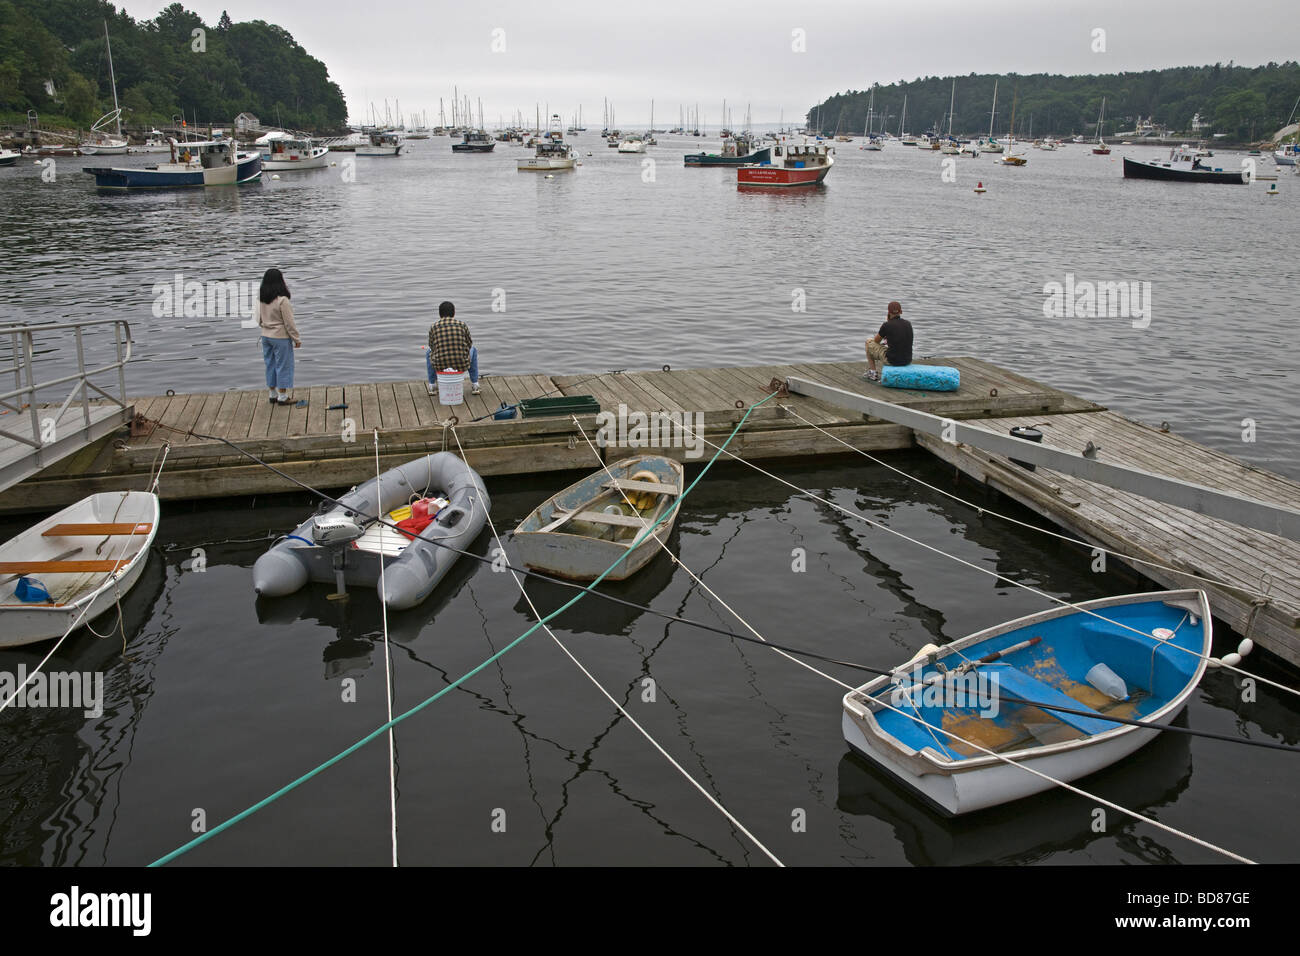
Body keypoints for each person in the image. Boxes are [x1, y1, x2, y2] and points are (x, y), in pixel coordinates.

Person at [257, 268, 300, 405]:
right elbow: (289, 323)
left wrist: (265, 327)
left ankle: (272, 394)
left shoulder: (261, 298)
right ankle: (282, 396)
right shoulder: (282, 300)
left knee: (270, 364)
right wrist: (296, 339)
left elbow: (258, 318)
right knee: (283, 365)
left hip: (265, 336)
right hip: (280, 337)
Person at [426, 301, 481, 396]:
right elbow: (469, 344)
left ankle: (432, 385)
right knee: (473, 350)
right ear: (454, 313)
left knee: (428, 352)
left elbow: (431, 346)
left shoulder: (433, 327)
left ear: (439, 314)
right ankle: (475, 384)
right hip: (461, 364)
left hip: (439, 365)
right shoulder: (462, 325)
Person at [863, 300, 913, 381]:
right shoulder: (908, 323)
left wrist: (888, 322)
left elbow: (876, 341)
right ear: (901, 312)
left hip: (892, 361)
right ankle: (872, 372)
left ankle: (873, 373)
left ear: (889, 312)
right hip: (907, 360)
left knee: (868, 342)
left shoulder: (887, 325)